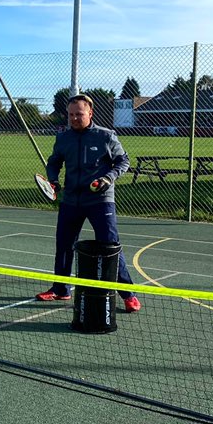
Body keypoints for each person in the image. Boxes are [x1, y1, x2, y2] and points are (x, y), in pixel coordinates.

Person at [36, 93, 141, 312]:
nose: (74, 118)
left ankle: (128, 294)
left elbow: (123, 161)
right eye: (71, 115)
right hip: (70, 200)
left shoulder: (106, 136)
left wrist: (107, 178)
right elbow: (54, 162)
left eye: (79, 114)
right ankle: (61, 289)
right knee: (64, 245)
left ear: (90, 113)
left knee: (110, 246)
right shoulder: (63, 138)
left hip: (100, 200)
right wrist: (53, 180)